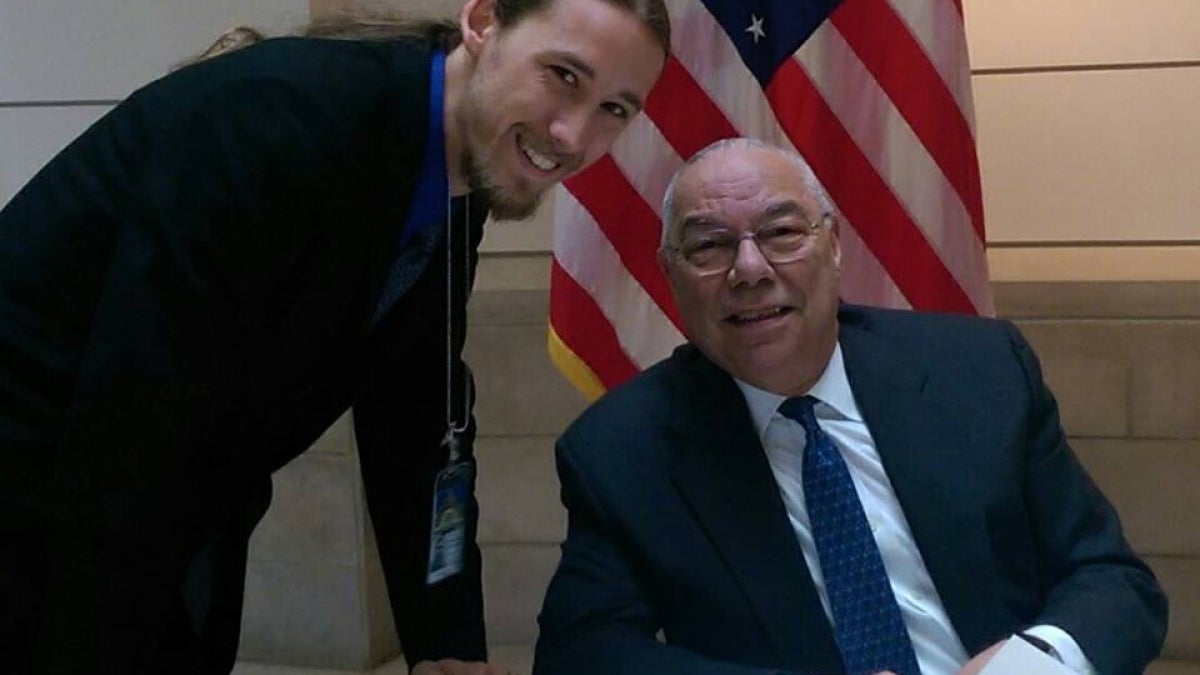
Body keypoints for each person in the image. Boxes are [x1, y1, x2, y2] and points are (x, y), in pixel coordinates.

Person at [0, 0, 668, 672]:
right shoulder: (282, 114)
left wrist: (445, 650)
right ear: (484, 21)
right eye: (563, 75)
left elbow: (418, 431)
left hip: (154, 515)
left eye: (615, 109)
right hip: (43, 497)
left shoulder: (448, 186)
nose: (573, 135)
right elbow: (131, 427)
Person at [533, 138, 1168, 675]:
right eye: (709, 246)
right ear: (669, 274)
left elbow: (1113, 580)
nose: (749, 269)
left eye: (781, 232)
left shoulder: (978, 371)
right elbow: (582, 653)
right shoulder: (620, 451)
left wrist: (1029, 665)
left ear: (833, 246)